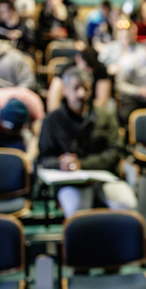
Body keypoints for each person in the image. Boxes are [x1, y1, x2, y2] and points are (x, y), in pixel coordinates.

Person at [38, 67, 137, 218]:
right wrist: (61, 164)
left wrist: (82, 164)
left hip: (104, 178)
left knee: (127, 203)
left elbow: (115, 152)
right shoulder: (52, 120)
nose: (81, 94)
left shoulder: (105, 115)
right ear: (65, 90)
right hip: (70, 183)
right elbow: (44, 157)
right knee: (77, 211)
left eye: (86, 88)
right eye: (76, 88)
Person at [47, 46, 111, 113]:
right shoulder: (67, 70)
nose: (89, 71)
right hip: (69, 110)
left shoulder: (101, 69)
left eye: (92, 68)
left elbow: (102, 101)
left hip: (90, 111)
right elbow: (53, 103)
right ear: (78, 59)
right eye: (87, 66)